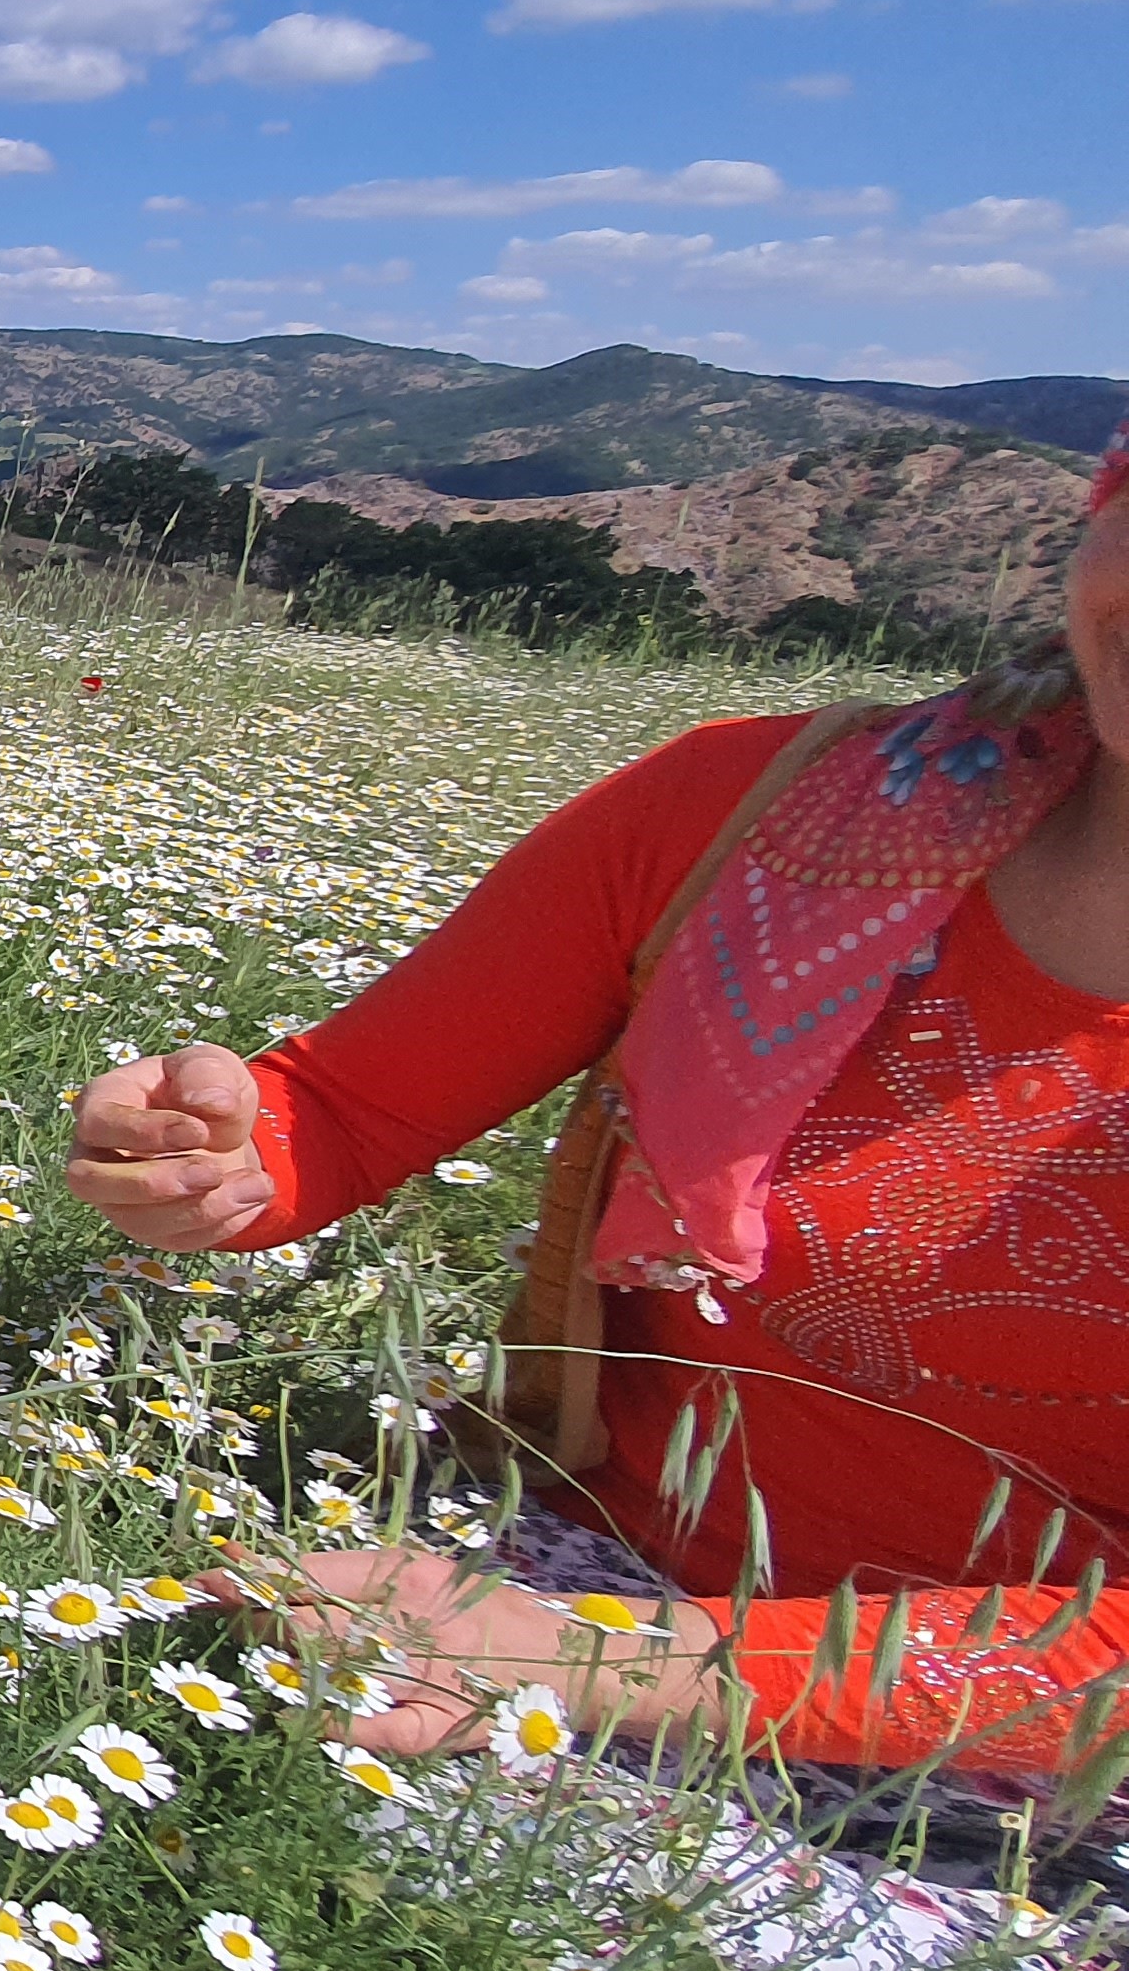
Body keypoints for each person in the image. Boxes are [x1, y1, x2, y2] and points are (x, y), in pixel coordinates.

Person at [67, 431, 1128, 1790]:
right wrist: (209, 1149)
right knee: (195, 1744)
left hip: (1031, 1777)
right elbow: (341, 1108)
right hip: (576, 1585)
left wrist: (587, 1661)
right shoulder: (751, 820)